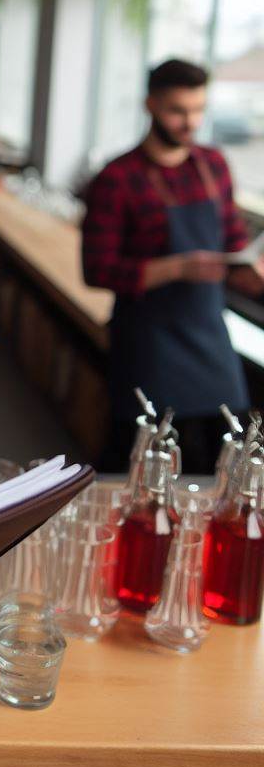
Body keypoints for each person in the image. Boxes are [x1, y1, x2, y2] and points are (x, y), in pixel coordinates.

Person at [82, 58, 264, 474]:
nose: (190, 122)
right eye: (177, 111)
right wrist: (178, 268)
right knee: (145, 467)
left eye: (198, 110)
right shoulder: (117, 177)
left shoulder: (213, 165)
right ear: (150, 105)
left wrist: (248, 269)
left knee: (225, 467)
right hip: (148, 344)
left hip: (210, 338)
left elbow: (232, 237)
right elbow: (97, 269)